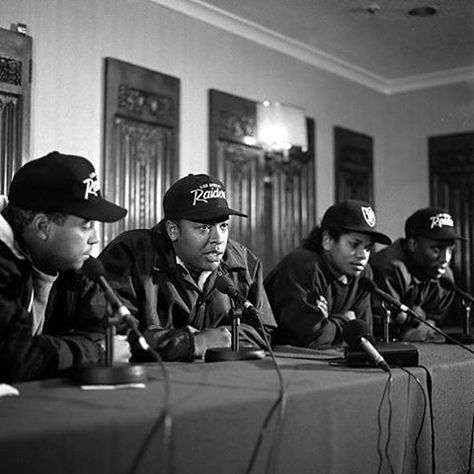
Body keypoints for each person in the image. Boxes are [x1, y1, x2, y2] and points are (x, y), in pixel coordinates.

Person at [93, 173, 276, 361]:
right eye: (204, 228)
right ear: (173, 230)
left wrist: (225, 336)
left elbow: (264, 330)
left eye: (223, 226)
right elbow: (111, 337)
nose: (219, 239)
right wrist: (193, 343)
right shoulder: (129, 254)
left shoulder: (244, 262)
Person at [0, 151, 131, 382]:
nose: (95, 239)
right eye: (86, 226)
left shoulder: (80, 269)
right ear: (42, 226)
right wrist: (96, 353)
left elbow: (96, 332)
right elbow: (11, 358)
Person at [264, 200, 391, 349]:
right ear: (327, 240)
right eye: (354, 244)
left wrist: (330, 323)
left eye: (368, 248)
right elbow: (312, 339)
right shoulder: (302, 265)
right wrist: (346, 320)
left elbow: (364, 334)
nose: (363, 255)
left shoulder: (363, 274)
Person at [370, 206, 466, 342]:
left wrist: (424, 324)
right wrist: (407, 330)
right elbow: (380, 325)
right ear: (412, 244)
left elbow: (433, 321)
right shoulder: (389, 268)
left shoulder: (445, 276)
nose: (446, 259)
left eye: (450, 250)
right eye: (437, 249)